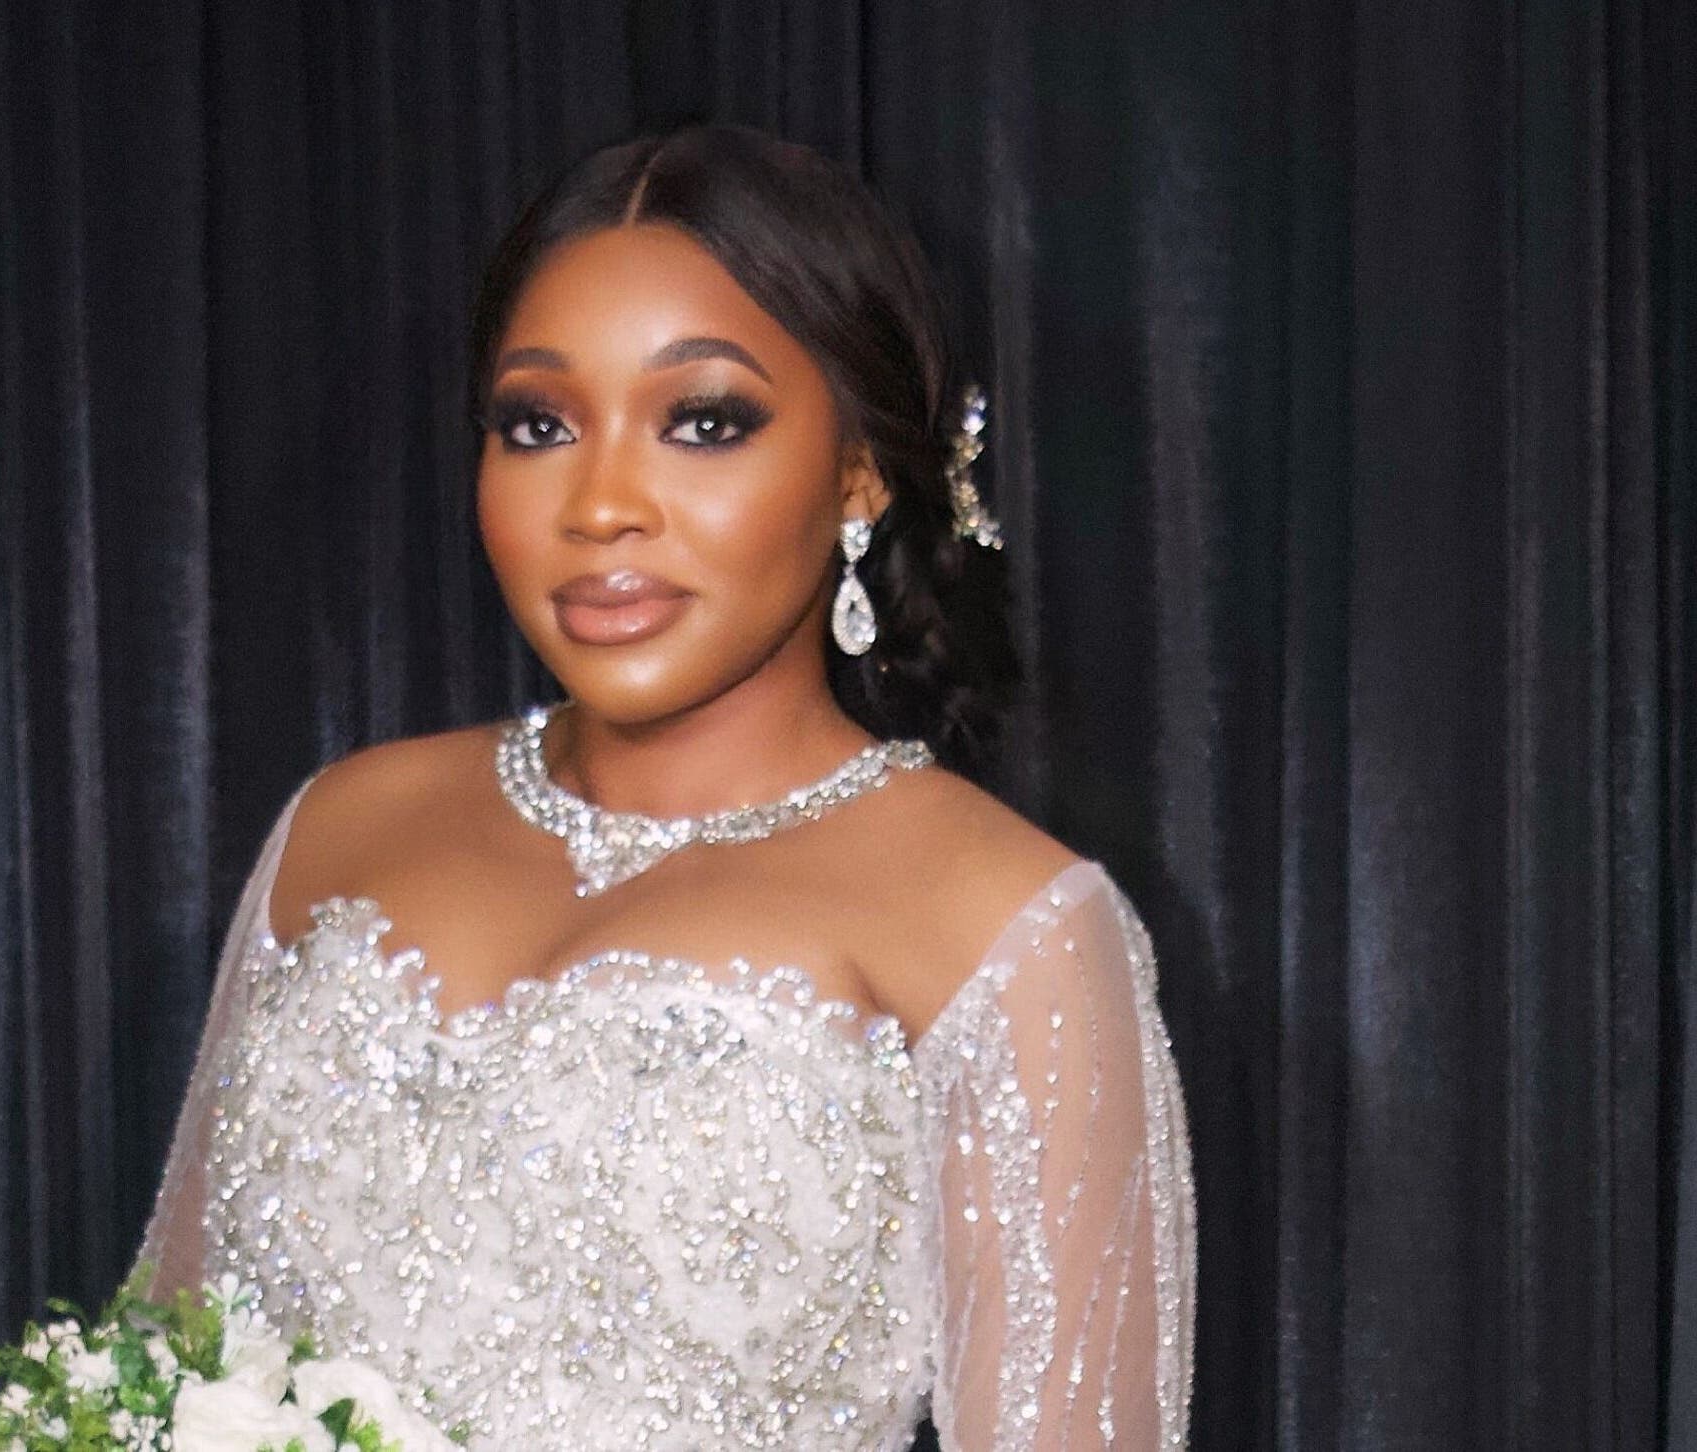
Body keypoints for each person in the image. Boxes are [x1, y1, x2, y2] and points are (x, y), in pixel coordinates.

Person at [132, 122, 1195, 1450]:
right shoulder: (343, 829)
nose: (600, 506)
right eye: (539, 425)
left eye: (704, 422)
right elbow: (151, 1375)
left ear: (859, 470)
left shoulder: (1006, 928)